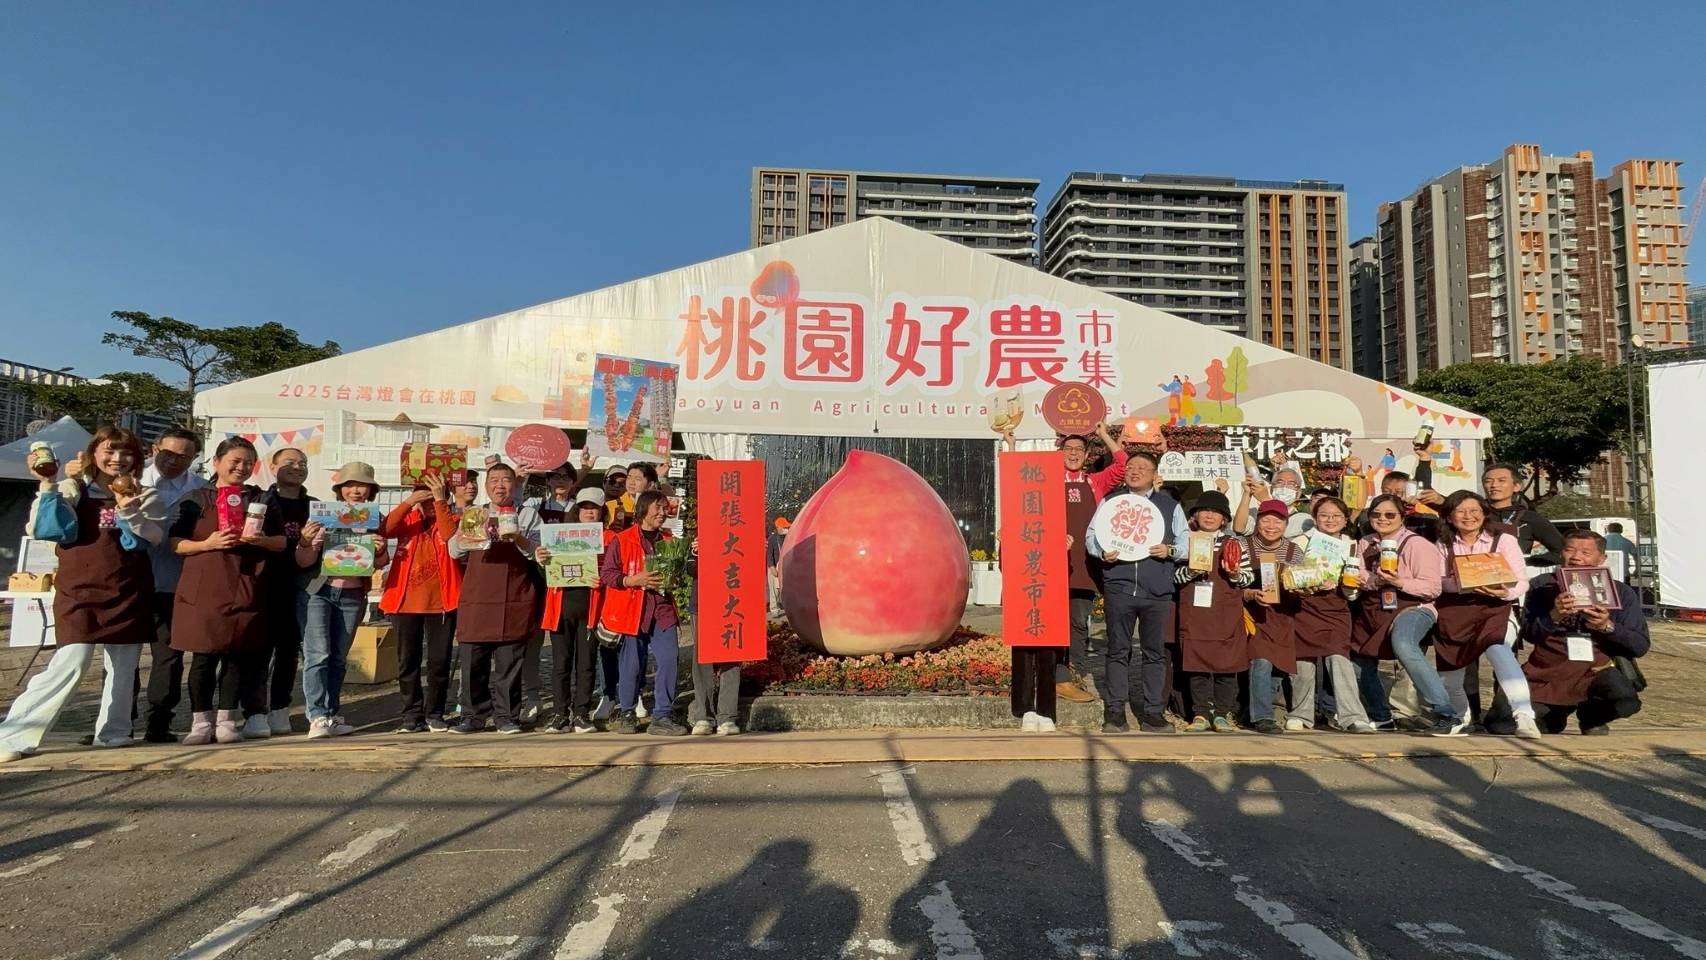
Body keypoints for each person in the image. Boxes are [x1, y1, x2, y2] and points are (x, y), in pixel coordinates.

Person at [1, 428, 166, 763]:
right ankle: (15, 734)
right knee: (71, 662)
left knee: (123, 668)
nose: (117, 459)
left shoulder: (146, 493)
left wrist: (129, 510)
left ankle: (114, 732)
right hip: (78, 589)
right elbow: (42, 528)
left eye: (126, 453)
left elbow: (154, 536)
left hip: (128, 588)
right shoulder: (73, 488)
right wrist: (48, 483)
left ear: (137, 458)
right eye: (109, 451)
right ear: (94, 454)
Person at [168, 437, 287, 745]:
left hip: (245, 585)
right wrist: (208, 543)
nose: (241, 467)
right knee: (203, 658)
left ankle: (227, 720)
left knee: (237, 657)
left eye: (248, 463)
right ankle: (200, 722)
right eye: (235, 461)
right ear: (217, 462)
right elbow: (175, 543)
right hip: (204, 588)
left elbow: (281, 542)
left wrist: (259, 540)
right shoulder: (196, 498)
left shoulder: (261, 498)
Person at [1498, 530, 1649, 735]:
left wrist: (1607, 626)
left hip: (1595, 670)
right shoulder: (1542, 585)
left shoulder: (1621, 592)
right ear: (1561, 554)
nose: (1576, 557)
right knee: (1502, 724)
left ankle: (1591, 716)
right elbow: (1530, 634)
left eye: (1586, 552)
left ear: (1602, 558)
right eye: (1570, 550)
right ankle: (1554, 716)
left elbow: (1640, 645)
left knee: (1625, 702)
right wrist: (1554, 615)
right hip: (1548, 671)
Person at [1083, 451, 1185, 734]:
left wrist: (1170, 550)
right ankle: (1115, 711)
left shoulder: (1169, 505)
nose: (1135, 471)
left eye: (1142, 467)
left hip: (1157, 590)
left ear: (1155, 475)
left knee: (1154, 653)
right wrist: (1101, 551)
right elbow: (1091, 536)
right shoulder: (1111, 501)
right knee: (1117, 650)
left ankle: (1153, 713)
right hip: (1120, 586)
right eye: (1130, 467)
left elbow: (1186, 542)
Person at [1431, 490, 1541, 739]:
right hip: (1455, 612)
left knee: (1498, 649)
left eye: (1474, 510)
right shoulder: (1443, 544)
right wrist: (1463, 582)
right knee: (1450, 670)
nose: (1468, 516)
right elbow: (1438, 582)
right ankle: (1460, 717)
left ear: (1484, 513)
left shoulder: (1503, 540)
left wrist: (1505, 591)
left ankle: (1524, 716)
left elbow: (1521, 581)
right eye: (1460, 511)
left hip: (1495, 609)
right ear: (1449, 516)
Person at [1349, 494, 1458, 735]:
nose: (1382, 519)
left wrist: (1400, 582)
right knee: (1358, 657)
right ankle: (1380, 715)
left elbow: (1432, 588)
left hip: (1413, 607)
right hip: (1375, 606)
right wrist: (1374, 581)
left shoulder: (1418, 544)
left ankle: (1446, 712)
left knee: (1404, 644)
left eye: (1390, 515)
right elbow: (1359, 575)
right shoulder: (1364, 543)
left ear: (1402, 517)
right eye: (1376, 514)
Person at [446, 463, 542, 734]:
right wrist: (465, 536)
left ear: (515, 484)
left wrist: (518, 538)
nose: (500, 485)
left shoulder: (527, 515)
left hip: (514, 595)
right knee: (473, 661)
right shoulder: (476, 513)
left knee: (509, 663)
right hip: (477, 596)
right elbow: (454, 551)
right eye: (494, 480)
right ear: (486, 486)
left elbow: (540, 552)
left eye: (506, 480)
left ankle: (506, 717)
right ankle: (472, 716)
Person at [296, 462, 389, 739]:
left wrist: (380, 550)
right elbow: (303, 561)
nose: (356, 491)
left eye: (362, 485)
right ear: (339, 489)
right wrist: (307, 541)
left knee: (338, 657)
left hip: (353, 594)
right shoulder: (323, 515)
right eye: (349, 485)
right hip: (318, 592)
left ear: (370, 490)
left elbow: (379, 563)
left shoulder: (375, 518)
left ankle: (331, 714)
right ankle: (317, 716)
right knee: (318, 654)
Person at [599, 489, 688, 736]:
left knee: (669, 658)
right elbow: (608, 574)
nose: (663, 513)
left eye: (665, 508)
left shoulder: (668, 540)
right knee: (632, 664)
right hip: (632, 609)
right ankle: (627, 712)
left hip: (662, 609)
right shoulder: (623, 539)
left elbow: (677, 576)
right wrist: (632, 580)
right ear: (643, 510)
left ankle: (662, 715)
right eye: (658, 507)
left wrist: (674, 580)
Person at [380, 471, 462, 733]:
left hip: (443, 603)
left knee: (439, 661)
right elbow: (386, 529)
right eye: (421, 492)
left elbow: (450, 536)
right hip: (404, 602)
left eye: (433, 492)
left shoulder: (452, 518)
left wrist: (439, 500)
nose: (426, 498)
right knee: (408, 661)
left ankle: (435, 713)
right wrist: (409, 502)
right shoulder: (408, 518)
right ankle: (411, 714)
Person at [1287, 496, 1376, 734]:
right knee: (1303, 663)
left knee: (1340, 659)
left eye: (1337, 516)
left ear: (1346, 519)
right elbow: (1288, 574)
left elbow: (1357, 583)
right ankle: (1300, 714)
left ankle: (1353, 716)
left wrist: (1352, 585)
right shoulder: (1299, 542)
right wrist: (1302, 584)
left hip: (1336, 607)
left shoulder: (1352, 545)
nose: (1330, 520)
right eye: (1324, 515)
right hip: (1305, 606)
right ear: (1314, 518)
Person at [140, 426, 205, 742]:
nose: (175, 460)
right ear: (155, 449)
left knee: (168, 656)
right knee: (120, 656)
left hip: (173, 582)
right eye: (168, 453)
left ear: (194, 458)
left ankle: (159, 721)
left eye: (184, 456)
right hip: (128, 581)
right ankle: (115, 720)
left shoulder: (201, 490)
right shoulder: (130, 480)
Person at [1172, 491, 1251, 733]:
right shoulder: (1185, 541)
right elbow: (1174, 577)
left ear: (1224, 519)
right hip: (1195, 615)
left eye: (1216, 512)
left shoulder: (1234, 544)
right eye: (1204, 510)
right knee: (1197, 664)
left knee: (1226, 665)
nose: (1209, 515)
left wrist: (1235, 573)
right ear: (1195, 515)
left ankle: (1222, 714)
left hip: (1225, 614)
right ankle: (1200, 713)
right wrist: (1191, 571)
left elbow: (1248, 578)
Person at [1059, 423, 1126, 704]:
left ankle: (1074, 669)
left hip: (1085, 563)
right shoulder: (1046, 480)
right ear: (1060, 452)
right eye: (1068, 448)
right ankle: (1054, 671)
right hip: (1053, 561)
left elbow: (1121, 464)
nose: (1073, 453)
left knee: (1078, 620)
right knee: (1052, 619)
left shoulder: (1095, 481)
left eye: (1079, 449)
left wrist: (1103, 434)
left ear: (1087, 455)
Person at [250, 447, 314, 738]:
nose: (297, 467)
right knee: (258, 651)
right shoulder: (260, 502)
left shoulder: (315, 507)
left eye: (303, 463)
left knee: (289, 651)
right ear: (273, 467)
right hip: (262, 584)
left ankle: (280, 709)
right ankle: (254, 712)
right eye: (289, 462)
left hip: (301, 587)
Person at [535, 488, 606, 734]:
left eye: (594, 508)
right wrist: (541, 560)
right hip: (561, 609)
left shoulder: (608, 539)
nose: (589, 512)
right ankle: (559, 714)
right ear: (577, 510)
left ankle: (582, 714)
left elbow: (613, 572)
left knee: (586, 664)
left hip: (591, 610)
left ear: (602, 512)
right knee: (560, 665)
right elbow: (546, 574)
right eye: (585, 508)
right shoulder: (558, 536)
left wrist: (603, 578)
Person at [1244, 500, 1301, 734]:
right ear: (1257, 521)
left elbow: (1302, 581)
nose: (1271, 526)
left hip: (1283, 617)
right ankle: (1263, 717)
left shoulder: (1294, 551)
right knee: (1261, 661)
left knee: (1278, 667)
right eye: (1265, 520)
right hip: (1253, 616)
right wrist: (1250, 593)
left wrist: (1301, 587)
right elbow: (1231, 584)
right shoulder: (1244, 545)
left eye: (1277, 521)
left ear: (1286, 524)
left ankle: (1255, 710)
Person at [1481, 463, 1563, 569]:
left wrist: (1527, 562)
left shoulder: (1530, 518)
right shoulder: (1472, 516)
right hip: (1476, 572)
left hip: (1517, 575)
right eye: (1488, 481)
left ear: (1516, 486)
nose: (1494, 485)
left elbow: (1562, 551)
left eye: (1501, 480)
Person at [766, 516, 789, 617]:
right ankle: (774, 609)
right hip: (774, 566)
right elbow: (769, 554)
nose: (786, 529)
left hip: (784, 566)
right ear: (779, 528)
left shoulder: (788, 537)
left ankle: (787, 606)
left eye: (787, 527)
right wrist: (772, 567)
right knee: (774, 589)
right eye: (784, 527)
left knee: (784, 588)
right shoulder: (772, 539)